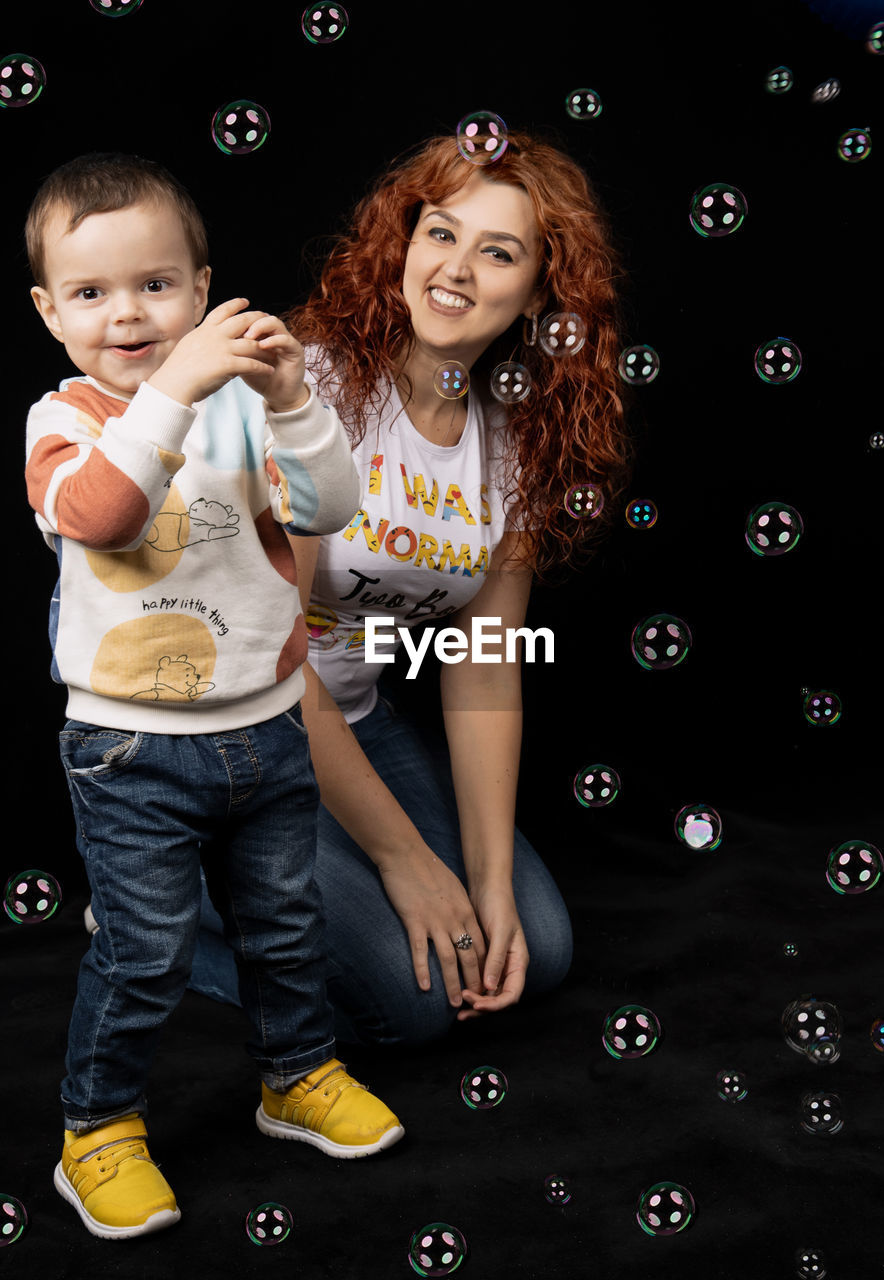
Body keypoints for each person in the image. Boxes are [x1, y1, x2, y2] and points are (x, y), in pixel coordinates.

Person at [23, 152, 404, 1242]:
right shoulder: (61, 421)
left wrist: (290, 399)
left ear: (201, 289)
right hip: (132, 749)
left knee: (287, 926)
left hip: (269, 727)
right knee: (143, 953)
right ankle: (96, 1129)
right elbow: (102, 516)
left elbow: (328, 505)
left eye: (155, 285)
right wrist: (182, 385)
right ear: (50, 312)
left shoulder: (245, 403)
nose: (127, 314)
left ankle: (297, 1075)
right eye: (91, 293)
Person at [190, 131, 631, 1045]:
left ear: (543, 293)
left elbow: (482, 663)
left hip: (348, 720)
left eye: (498, 251)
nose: (456, 269)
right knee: (414, 1003)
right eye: (440, 233)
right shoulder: (306, 391)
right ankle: (157, 908)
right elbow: (271, 661)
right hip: (227, 732)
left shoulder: (513, 439)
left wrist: (489, 878)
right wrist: (405, 863)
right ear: (404, 242)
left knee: (535, 949)